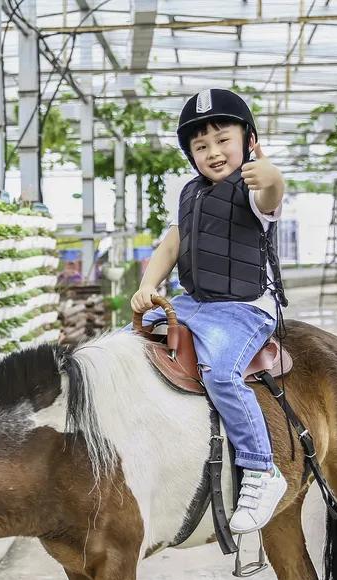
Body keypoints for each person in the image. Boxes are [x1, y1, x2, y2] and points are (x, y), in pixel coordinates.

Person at [131, 88, 289, 535]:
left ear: (249, 141)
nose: (213, 152)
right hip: (192, 304)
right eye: (201, 146)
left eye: (223, 140)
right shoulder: (191, 194)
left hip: (242, 309)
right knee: (128, 346)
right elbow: (173, 242)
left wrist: (271, 174)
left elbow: (272, 194)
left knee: (221, 372)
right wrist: (147, 285)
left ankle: (261, 469)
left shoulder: (255, 189)